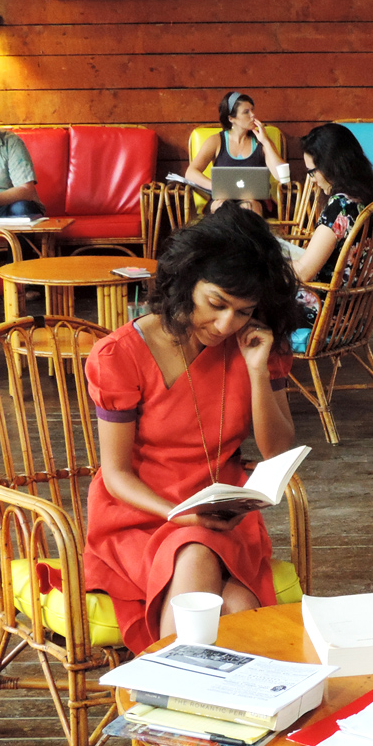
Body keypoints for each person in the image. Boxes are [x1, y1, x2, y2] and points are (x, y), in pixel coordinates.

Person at [83, 204, 302, 654]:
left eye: (243, 312)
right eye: (216, 304)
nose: (225, 326)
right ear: (186, 281)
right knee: (218, 579)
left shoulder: (258, 345)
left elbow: (278, 452)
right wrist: (180, 515)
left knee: (233, 597)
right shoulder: (119, 356)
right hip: (141, 515)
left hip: (222, 515)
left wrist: (257, 371)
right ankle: (180, 686)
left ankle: (172, 691)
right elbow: (116, 475)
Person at [291, 123, 373, 329]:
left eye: (312, 172)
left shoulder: (341, 207)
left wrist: (266, 263)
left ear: (330, 166)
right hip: (357, 312)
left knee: (247, 293)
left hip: (326, 311)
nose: (312, 180)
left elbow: (303, 273)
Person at [184, 91, 287, 215]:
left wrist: (265, 142)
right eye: (246, 112)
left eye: (252, 110)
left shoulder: (261, 142)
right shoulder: (216, 141)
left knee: (248, 206)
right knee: (222, 206)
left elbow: (282, 176)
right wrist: (215, 186)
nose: (253, 115)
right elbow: (191, 173)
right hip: (224, 199)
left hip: (255, 201)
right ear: (231, 118)